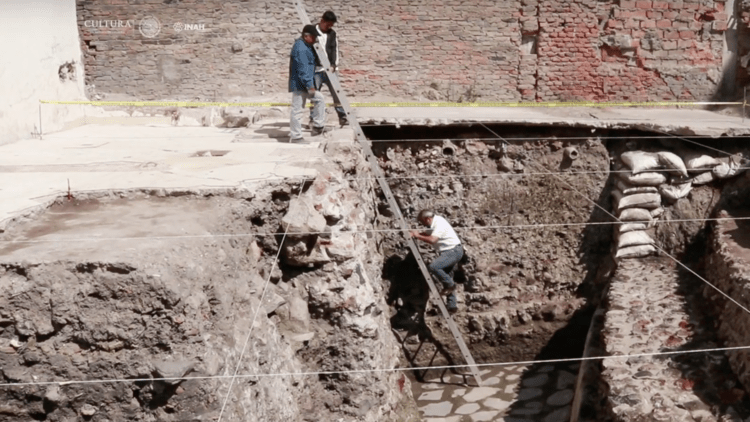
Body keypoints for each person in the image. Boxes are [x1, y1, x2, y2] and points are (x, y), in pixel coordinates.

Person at [410, 210, 463, 312]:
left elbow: (433, 240)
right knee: (448, 276)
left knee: (434, 267)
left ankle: (450, 285)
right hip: (451, 251)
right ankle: (452, 306)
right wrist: (416, 234)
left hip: (452, 251)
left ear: (427, 219)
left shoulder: (439, 223)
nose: (422, 224)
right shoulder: (435, 223)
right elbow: (427, 233)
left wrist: (417, 236)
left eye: (422, 222)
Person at [289, 24, 329, 144]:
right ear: (306, 36)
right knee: (297, 110)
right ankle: (296, 137)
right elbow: (303, 69)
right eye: (313, 37)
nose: (315, 39)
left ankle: (318, 126)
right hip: (301, 84)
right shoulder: (300, 48)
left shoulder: (306, 46)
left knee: (320, 99)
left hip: (306, 82)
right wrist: (310, 86)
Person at [309, 11, 348, 127]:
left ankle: (343, 117)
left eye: (332, 25)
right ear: (322, 21)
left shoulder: (332, 34)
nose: (330, 27)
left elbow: (334, 49)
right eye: (328, 24)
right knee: (315, 95)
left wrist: (333, 65)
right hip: (316, 70)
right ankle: (313, 119)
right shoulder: (311, 32)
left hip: (330, 70)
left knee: (337, 93)